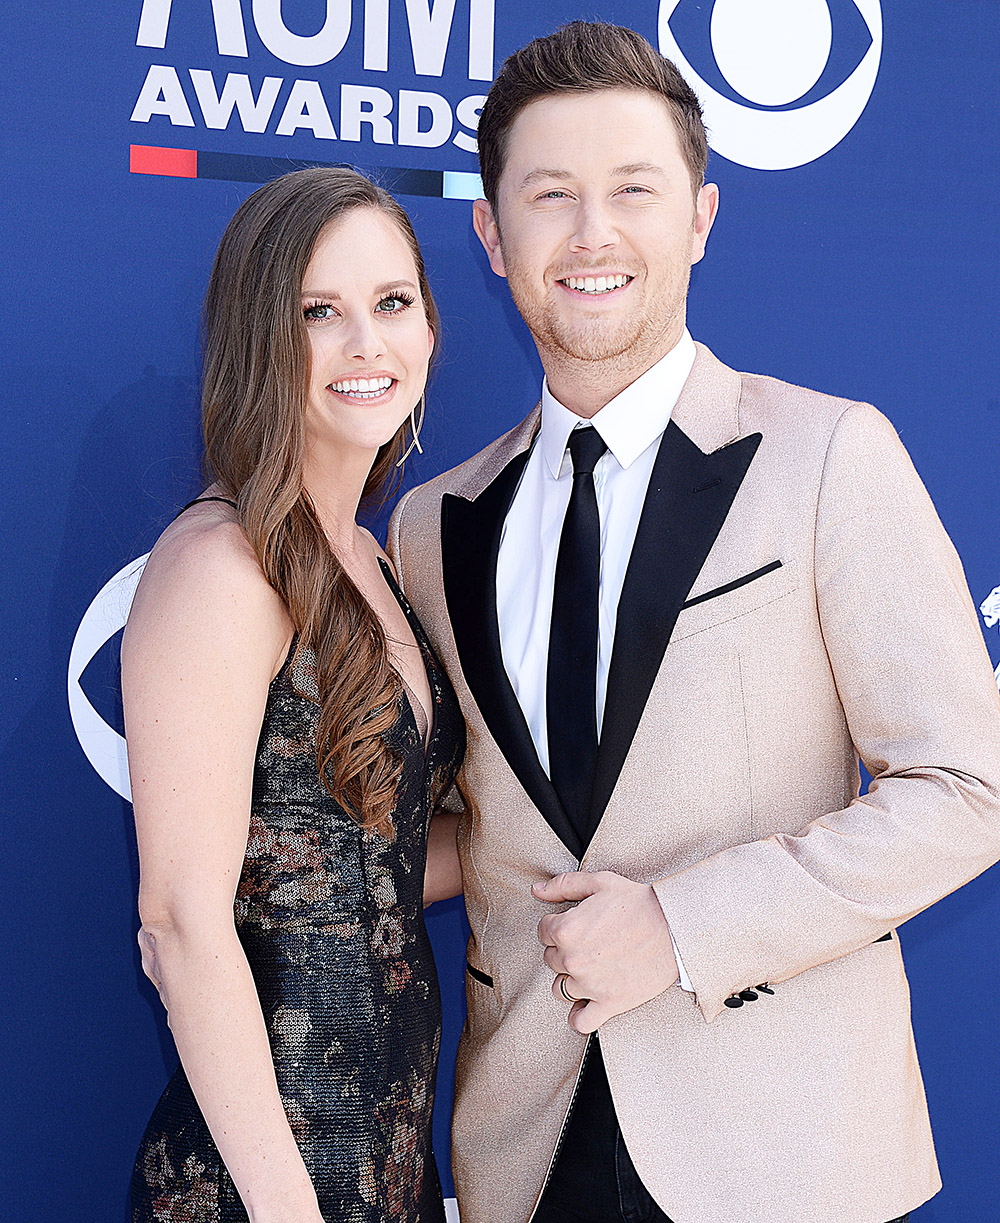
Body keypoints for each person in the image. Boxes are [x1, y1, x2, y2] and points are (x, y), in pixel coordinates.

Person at [387, 21, 1000, 1223]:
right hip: (523, 1141)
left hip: (782, 1154)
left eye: (633, 190)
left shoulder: (828, 457)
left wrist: (681, 921)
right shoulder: (426, 521)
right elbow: (467, 818)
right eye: (549, 195)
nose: (591, 232)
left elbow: (970, 785)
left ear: (701, 218)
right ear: (490, 234)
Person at [125, 166, 465, 1223]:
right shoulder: (221, 568)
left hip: (389, 1164)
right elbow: (180, 920)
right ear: (258, 339)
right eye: (320, 312)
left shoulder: (376, 556)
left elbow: (371, 864)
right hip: (259, 1181)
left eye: (391, 303)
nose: (368, 343)